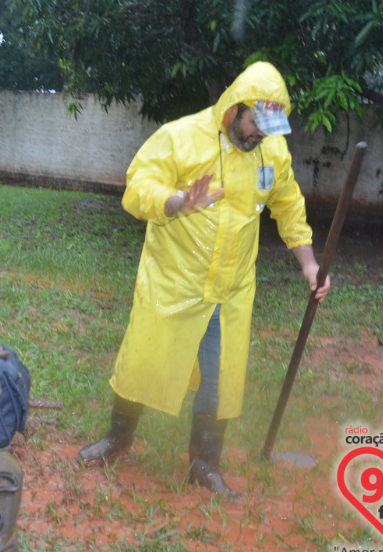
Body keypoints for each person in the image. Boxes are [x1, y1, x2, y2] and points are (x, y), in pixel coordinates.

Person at [78, 62, 330, 498]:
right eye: (256, 124)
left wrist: (309, 264)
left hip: (229, 290)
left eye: (270, 128)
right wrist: (176, 201)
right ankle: (117, 439)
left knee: (220, 378)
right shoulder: (181, 136)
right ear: (235, 109)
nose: (262, 135)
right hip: (174, 280)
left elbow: (288, 206)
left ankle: (204, 464)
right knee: (144, 360)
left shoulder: (272, 153)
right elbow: (137, 186)